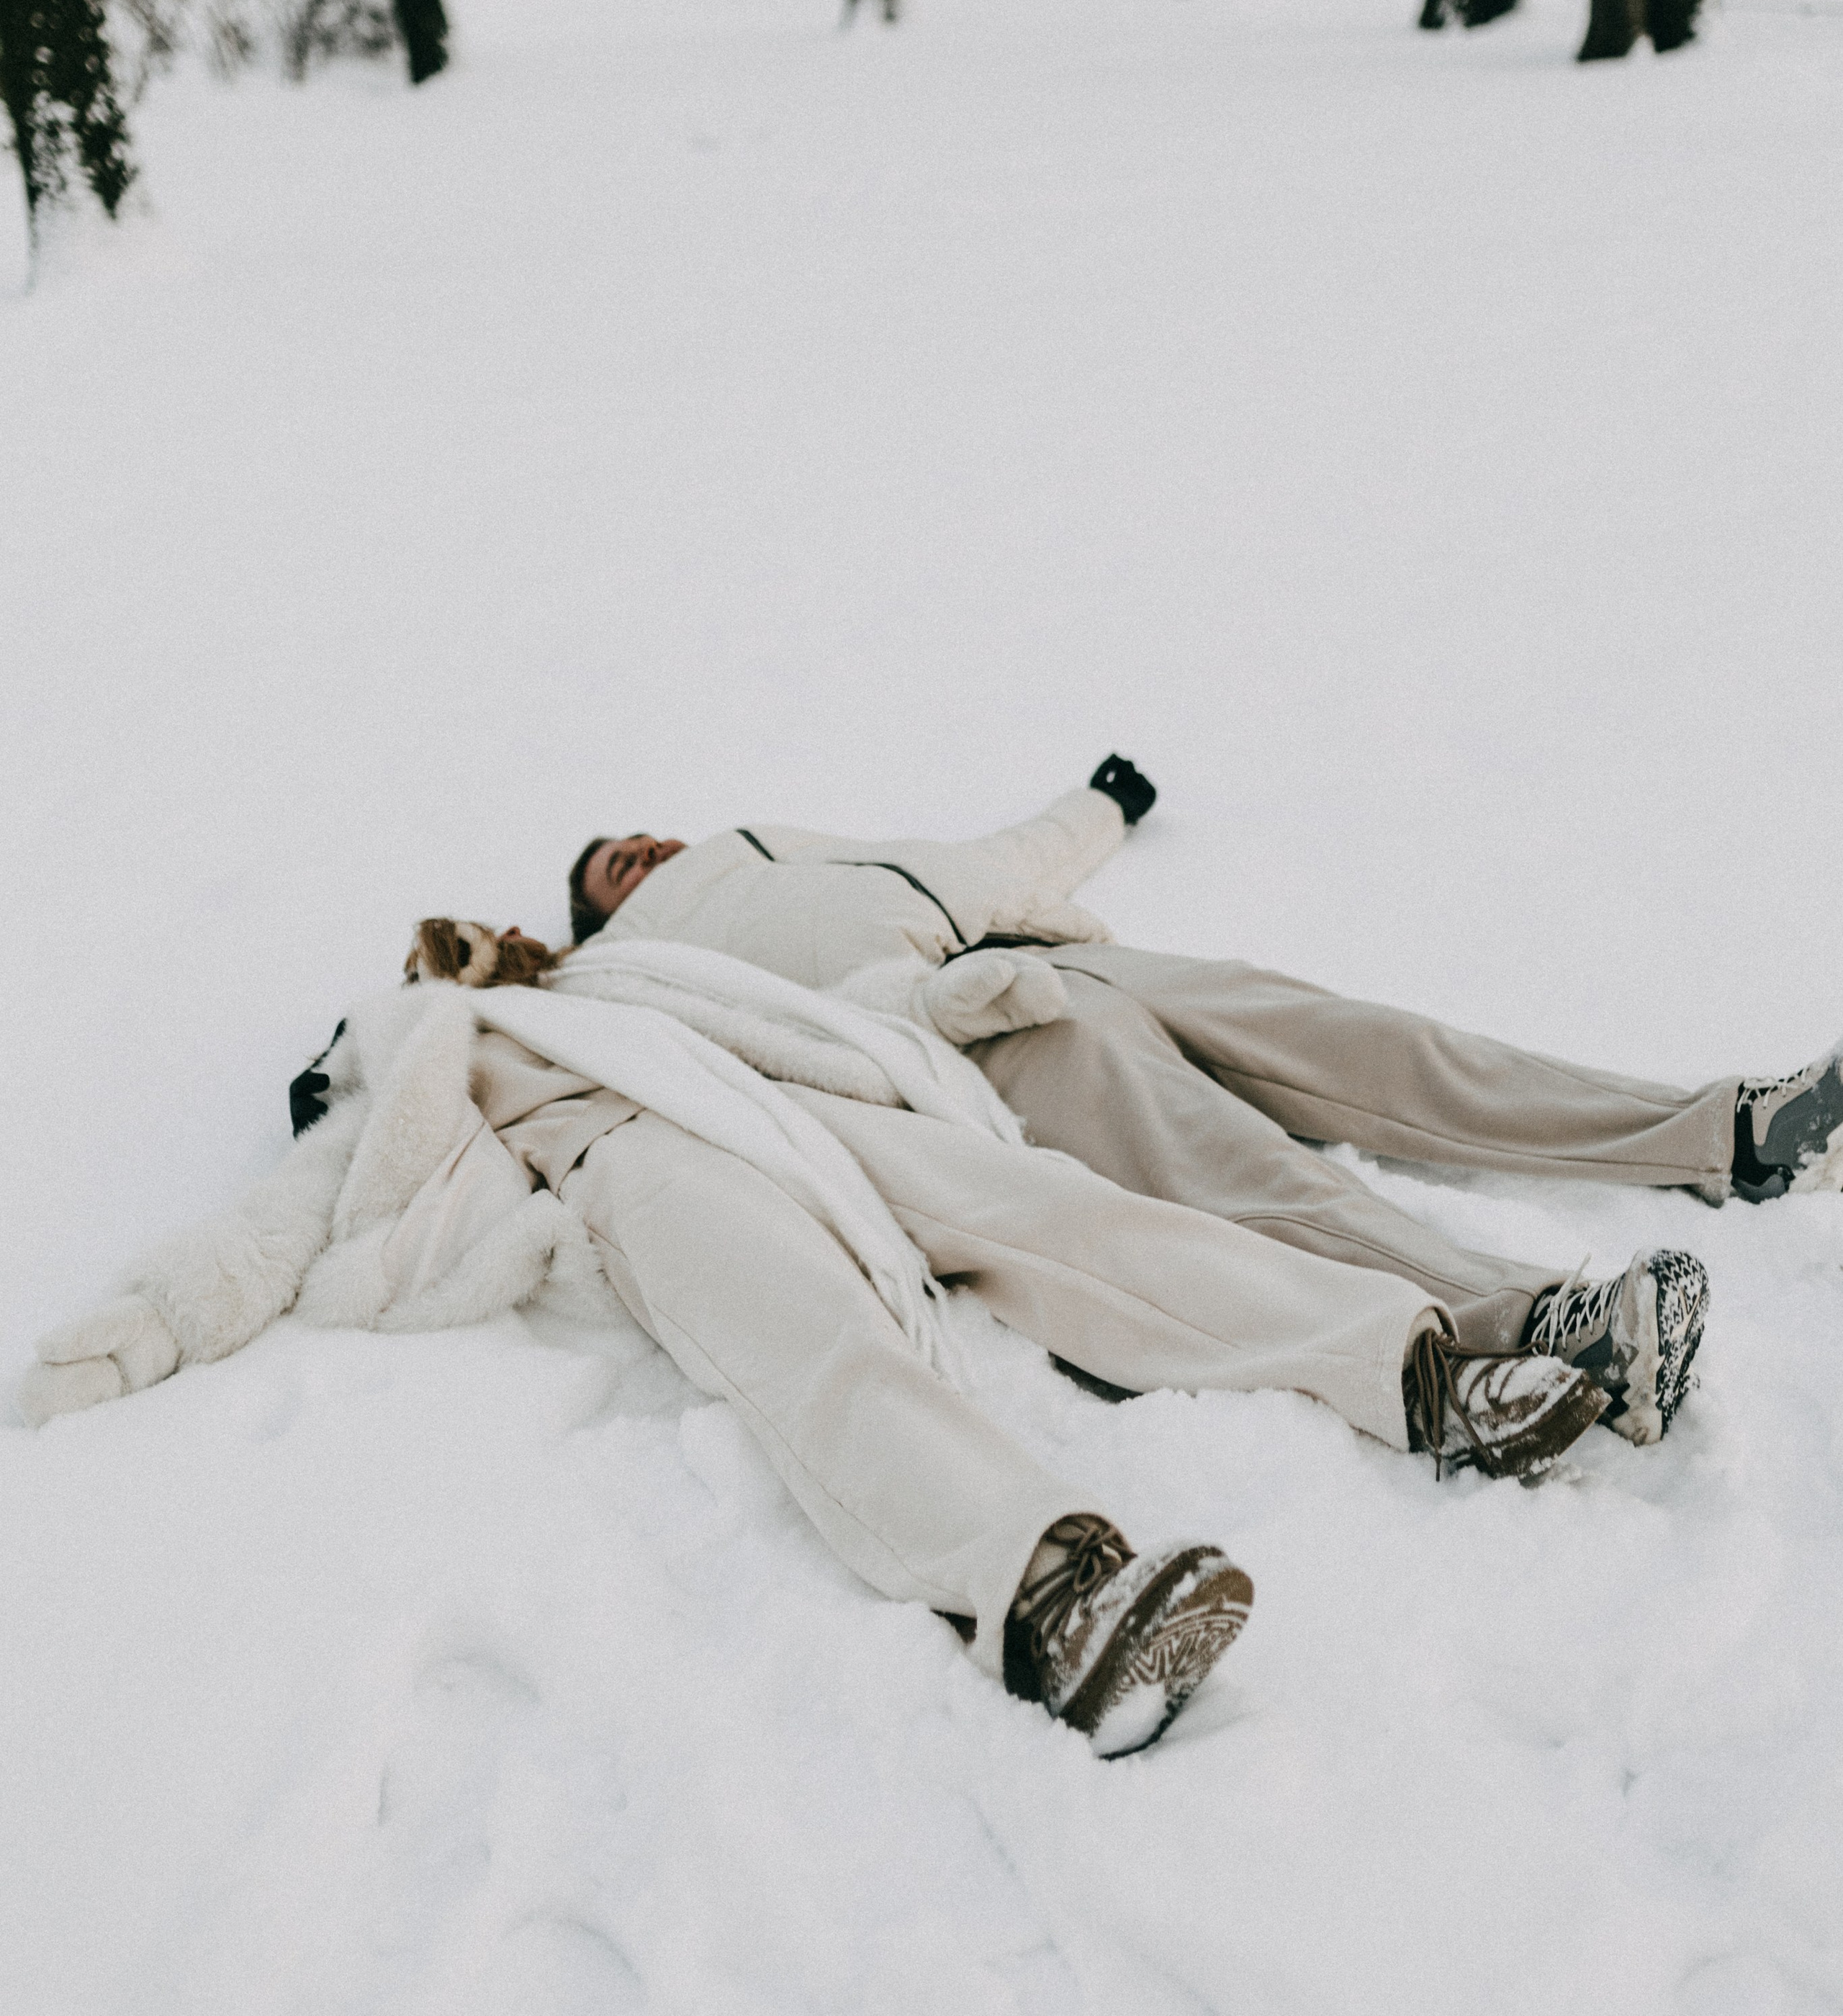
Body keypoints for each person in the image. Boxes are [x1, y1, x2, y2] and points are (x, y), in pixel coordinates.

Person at [24, 918, 1617, 1760]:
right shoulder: (426, 1057)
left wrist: (965, 994)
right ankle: (1046, 1594)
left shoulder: (638, 977)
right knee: (816, 1354)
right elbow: (270, 1228)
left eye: (481, 943)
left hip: (816, 1117)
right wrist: (107, 1349)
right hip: (640, 1171)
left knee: (1084, 1227)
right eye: (440, 960)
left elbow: (844, 1010)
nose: (473, 958)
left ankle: (1422, 1372)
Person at [560, 752, 1843, 1445]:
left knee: (1379, 1045)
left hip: (1059, 961)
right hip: (988, 1037)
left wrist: (1098, 806)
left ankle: (1725, 1131)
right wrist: (931, 1018)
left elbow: (1002, 860)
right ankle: (1539, 1330)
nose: (639, 852)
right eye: (610, 867)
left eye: (640, 837)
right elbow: (768, 1037)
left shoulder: (796, 846)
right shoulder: (636, 968)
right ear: (600, 912)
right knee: (1249, 1179)